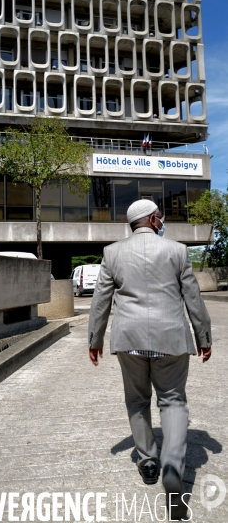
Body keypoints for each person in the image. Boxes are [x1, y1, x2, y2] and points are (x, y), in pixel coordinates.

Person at [88, 199, 212, 521]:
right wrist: (203, 338)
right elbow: (193, 299)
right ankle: (172, 466)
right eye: (161, 217)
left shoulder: (112, 253)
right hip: (170, 339)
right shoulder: (177, 251)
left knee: (137, 400)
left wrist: (95, 339)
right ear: (153, 219)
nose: (163, 221)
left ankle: (147, 462)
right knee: (172, 402)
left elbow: (101, 298)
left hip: (128, 341)